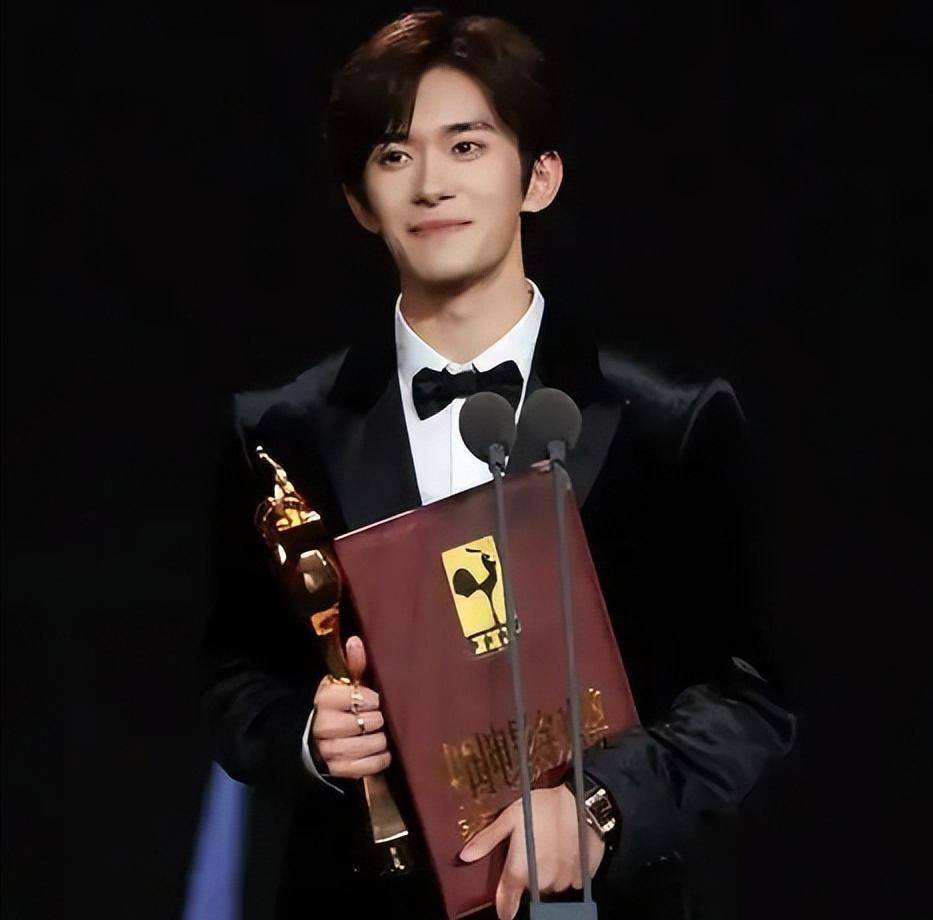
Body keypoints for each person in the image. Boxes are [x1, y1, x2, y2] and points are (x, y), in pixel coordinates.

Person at [201, 9, 797, 920]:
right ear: (360, 200)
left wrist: (599, 808)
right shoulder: (282, 431)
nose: (432, 183)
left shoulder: (667, 425)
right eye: (394, 155)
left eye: (467, 145)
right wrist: (310, 738)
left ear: (538, 176)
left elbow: (747, 697)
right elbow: (233, 681)